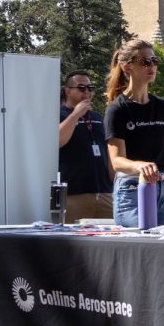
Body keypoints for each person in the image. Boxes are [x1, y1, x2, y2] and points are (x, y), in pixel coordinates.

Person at [104, 38, 164, 228]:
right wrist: (141, 166)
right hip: (132, 188)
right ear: (127, 67)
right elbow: (117, 161)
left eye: (154, 61)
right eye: (145, 62)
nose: (152, 66)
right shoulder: (117, 109)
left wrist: (162, 146)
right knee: (139, 246)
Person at [58, 71, 114, 223]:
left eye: (90, 88)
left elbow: (108, 151)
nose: (87, 92)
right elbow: (58, 140)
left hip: (104, 193)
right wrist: (76, 114)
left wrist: (113, 183)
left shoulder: (96, 117)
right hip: (74, 194)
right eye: (81, 88)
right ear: (67, 90)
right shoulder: (59, 114)